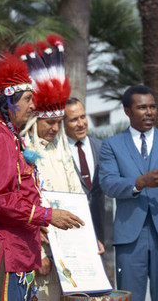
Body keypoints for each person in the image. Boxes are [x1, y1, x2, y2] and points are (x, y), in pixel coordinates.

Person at [0, 51, 83, 301]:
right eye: (28, 98)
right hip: (5, 253)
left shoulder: (9, 137)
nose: (34, 105)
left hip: (17, 252)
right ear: (9, 102)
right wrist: (47, 215)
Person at [99, 85, 158, 301]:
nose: (149, 112)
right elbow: (108, 183)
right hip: (130, 237)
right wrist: (140, 182)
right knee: (130, 297)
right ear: (127, 111)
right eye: (142, 107)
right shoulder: (111, 145)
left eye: (152, 107)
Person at [17, 37, 94, 300]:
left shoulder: (62, 151)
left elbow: (77, 199)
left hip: (71, 248)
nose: (55, 128)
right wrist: (37, 252)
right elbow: (21, 203)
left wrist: (90, 239)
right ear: (34, 120)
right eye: (49, 122)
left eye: (59, 122)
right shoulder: (21, 151)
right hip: (38, 247)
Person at [64, 98, 106, 244]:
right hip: (70, 232)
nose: (81, 124)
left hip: (100, 231)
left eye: (83, 117)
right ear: (63, 123)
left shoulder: (102, 148)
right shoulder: (57, 151)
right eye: (74, 120)